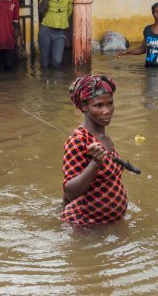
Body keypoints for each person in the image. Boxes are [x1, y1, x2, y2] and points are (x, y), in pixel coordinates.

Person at [61, 74, 127, 226]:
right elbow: (70, 192)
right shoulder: (78, 140)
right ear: (84, 106)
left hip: (105, 224)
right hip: (84, 225)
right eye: (99, 105)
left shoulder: (102, 135)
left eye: (110, 103)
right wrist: (95, 163)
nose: (107, 110)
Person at [37, 0, 74, 69]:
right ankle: (45, 82)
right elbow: (41, 10)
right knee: (44, 62)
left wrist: (67, 33)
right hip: (46, 31)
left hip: (59, 33)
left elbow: (68, 15)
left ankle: (55, 82)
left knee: (57, 62)